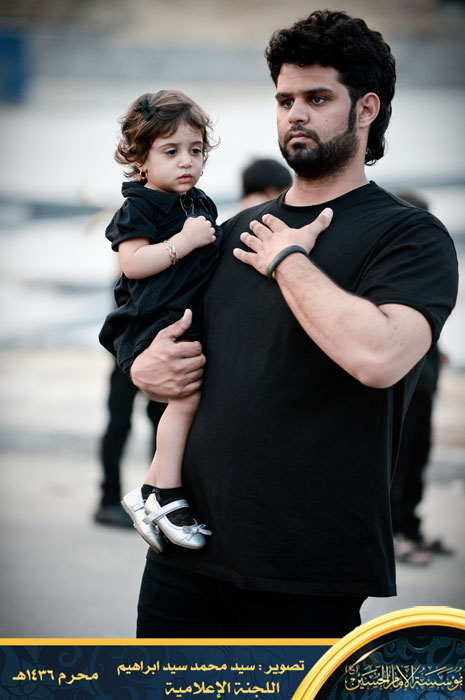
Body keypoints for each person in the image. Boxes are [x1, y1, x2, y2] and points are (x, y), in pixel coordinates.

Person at [130, 10, 458, 638]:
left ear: (366, 109)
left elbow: (381, 357)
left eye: (317, 98)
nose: (295, 114)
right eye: (284, 100)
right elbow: (150, 324)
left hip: (306, 569)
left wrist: (288, 261)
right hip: (185, 553)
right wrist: (142, 366)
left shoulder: (409, 237)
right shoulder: (226, 234)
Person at [99, 89, 222, 552]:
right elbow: (133, 264)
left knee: (197, 401)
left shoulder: (198, 203)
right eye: (171, 152)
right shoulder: (140, 206)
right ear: (141, 159)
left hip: (182, 315)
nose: (186, 161)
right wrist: (183, 243)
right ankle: (163, 493)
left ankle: (150, 492)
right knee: (185, 401)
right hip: (149, 321)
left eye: (196, 150)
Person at [390, 190, 454, 565]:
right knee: (396, 466)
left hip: (426, 383)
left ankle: (412, 529)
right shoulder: (394, 262)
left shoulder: (424, 259)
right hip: (401, 389)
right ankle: (396, 536)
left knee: (418, 460)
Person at [94, 358, 165, 528]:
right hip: (130, 357)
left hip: (156, 359)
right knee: (120, 425)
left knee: (162, 427)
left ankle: (158, 498)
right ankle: (109, 501)